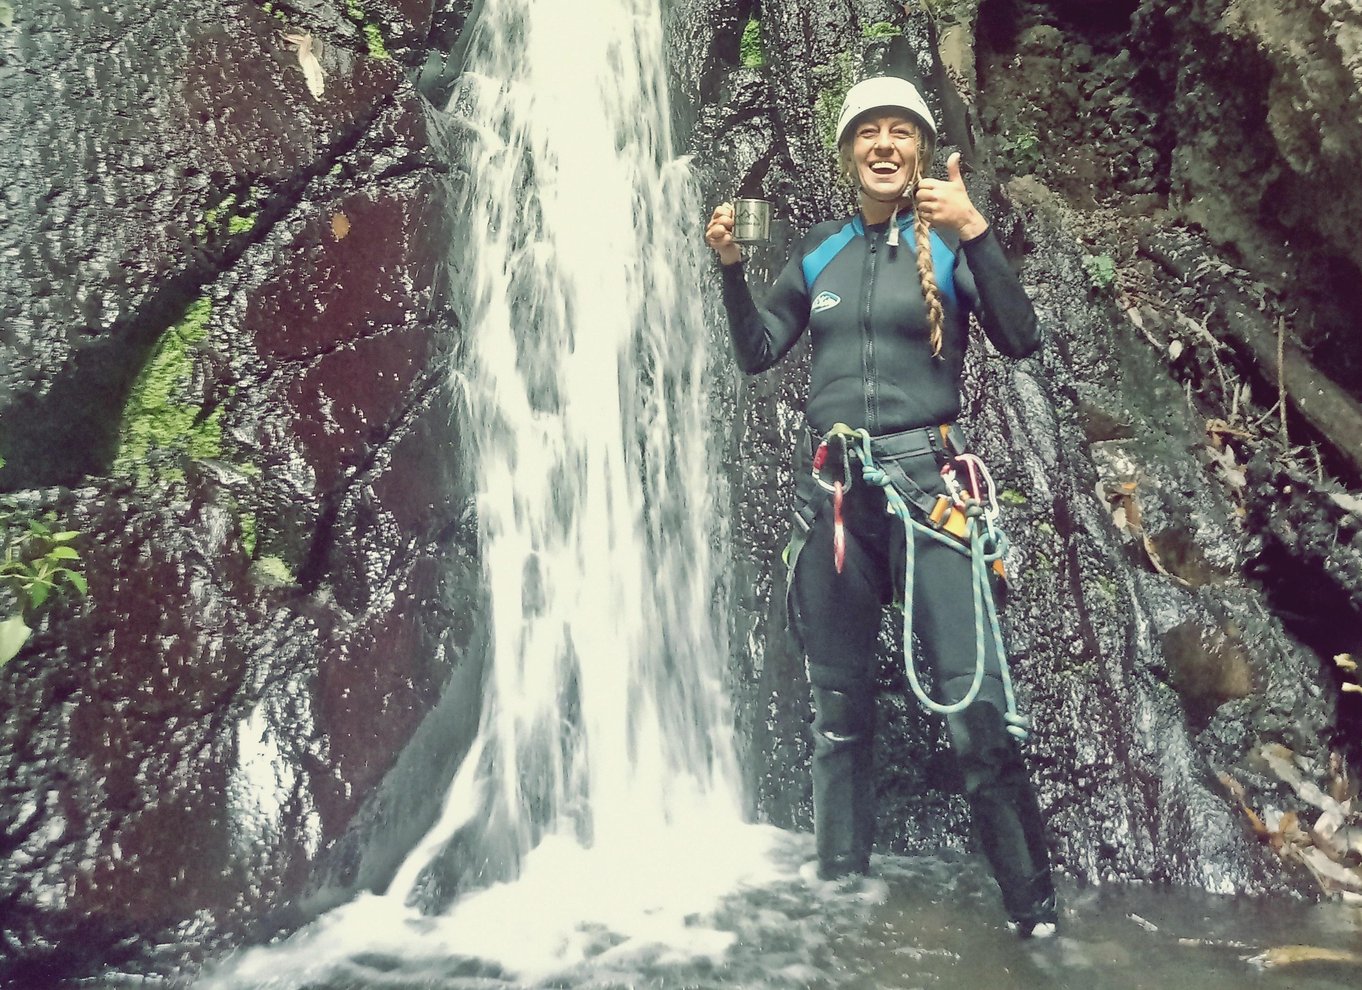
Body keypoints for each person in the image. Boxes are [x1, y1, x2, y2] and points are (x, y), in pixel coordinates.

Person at [704, 76, 1057, 937]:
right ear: (847, 152)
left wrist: (975, 228)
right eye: (870, 133)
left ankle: (1035, 918)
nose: (886, 145)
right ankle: (839, 923)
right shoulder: (820, 255)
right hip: (832, 499)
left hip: (926, 491)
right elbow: (756, 353)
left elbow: (1020, 337)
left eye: (903, 132)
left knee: (976, 718)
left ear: (923, 152)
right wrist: (731, 273)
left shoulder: (946, 244)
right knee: (839, 718)